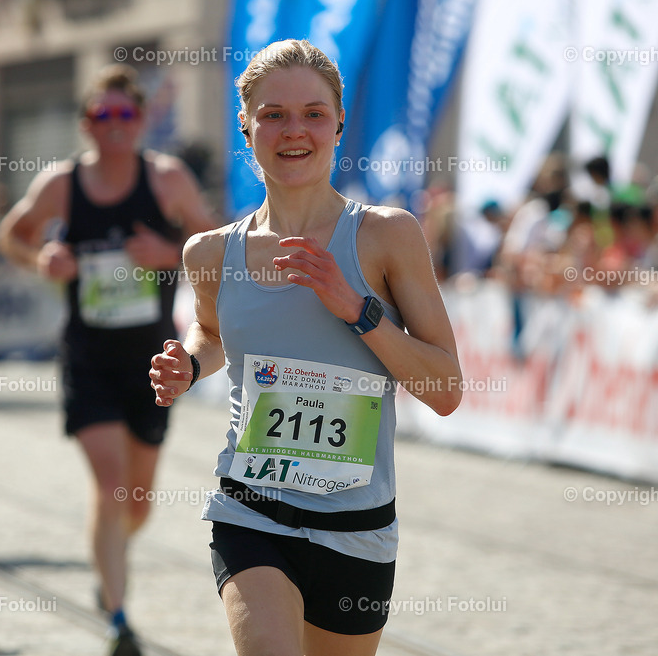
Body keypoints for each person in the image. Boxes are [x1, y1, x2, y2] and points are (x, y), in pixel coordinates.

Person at [149, 40, 463, 656]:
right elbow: (213, 334)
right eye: (273, 114)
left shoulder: (387, 237)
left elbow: (445, 390)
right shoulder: (210, 253)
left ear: (339, 123)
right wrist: (188, 363)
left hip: (358, 525)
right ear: (246, 126)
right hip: (251, 510)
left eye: (314, 113)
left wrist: (358, 310)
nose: (294, 131)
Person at [0, 64, 216, 656]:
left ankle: (109, 561)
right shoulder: (61, 184)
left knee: (138, 501)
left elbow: (216, 245)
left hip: (153, 362)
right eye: (102, 116)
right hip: (87, 357)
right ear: (86, 124)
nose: (114, 126)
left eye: (125, 115)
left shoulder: (167, 180)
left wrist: (168, 253)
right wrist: (41, 258)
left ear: (141, 121)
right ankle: (119, 616)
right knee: (112, 485)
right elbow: (11, 234)